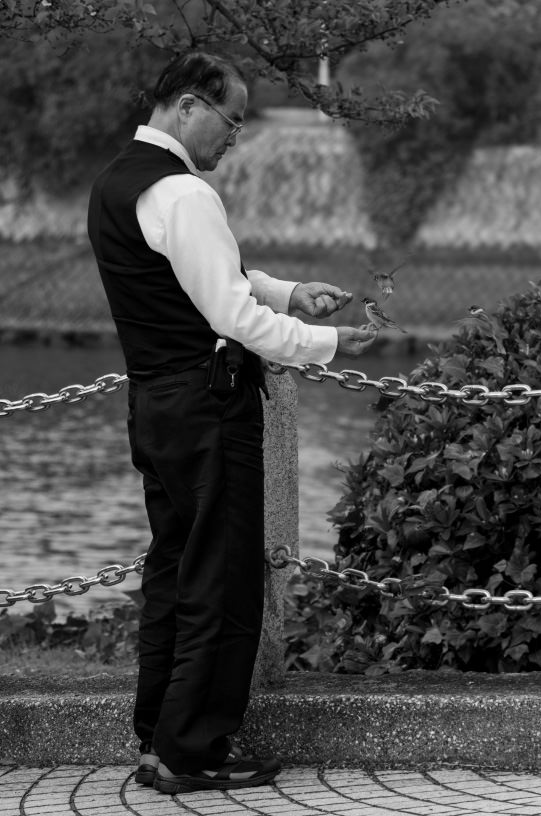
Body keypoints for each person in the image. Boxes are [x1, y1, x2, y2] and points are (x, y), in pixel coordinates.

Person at [87, 50, 377, 796]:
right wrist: (327, 341)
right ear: (188, 105)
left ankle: (159, 739)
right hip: (208, 407)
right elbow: (229, 315)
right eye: (232, 119)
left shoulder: (118, 180)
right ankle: (191, 752)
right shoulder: (184, 192)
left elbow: (194, 280)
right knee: (222, 579)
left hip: (156, 406)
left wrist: (287, 291)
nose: (236, 136)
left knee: (174, 572)